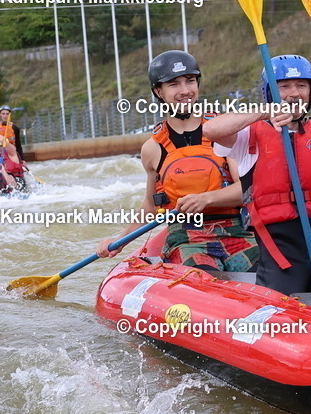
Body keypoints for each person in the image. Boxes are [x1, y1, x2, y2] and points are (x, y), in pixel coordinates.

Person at [202, 54, 311, 295]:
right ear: (270, 93)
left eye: (301, 85)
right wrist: (266, 113)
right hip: (280, 255)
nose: (294, 93)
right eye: (284, 86)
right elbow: (210, 129)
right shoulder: (247, 138)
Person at [97, 50, 259, 271]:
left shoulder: (223, 132)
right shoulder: (153, 149)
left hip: (236, 231)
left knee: (261, 271)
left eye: (190, 81)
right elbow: (151, 205)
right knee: (201, 277)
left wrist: (206, 199)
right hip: (186, 238)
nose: (185, 91)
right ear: (158, 92)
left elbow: (246, 189)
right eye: (174, 84)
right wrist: (120, 242)